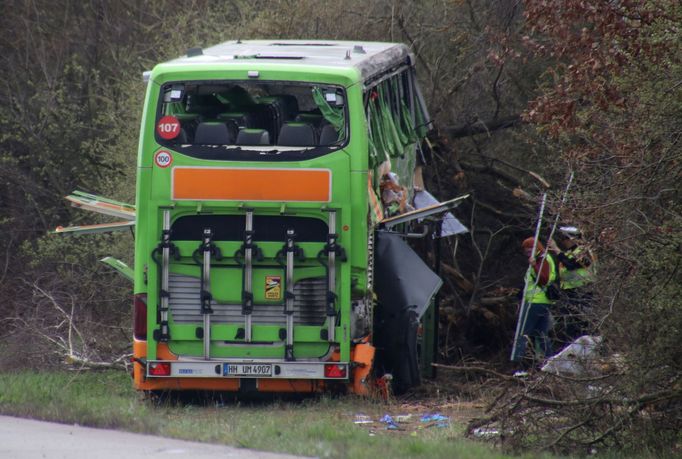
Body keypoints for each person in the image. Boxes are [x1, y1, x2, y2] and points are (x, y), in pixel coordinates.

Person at [511, 237, 558, 363]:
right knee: (541, 334)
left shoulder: (542, 260)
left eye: (529, 250)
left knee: (522, 333)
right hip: (541, 302)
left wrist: (534, 266)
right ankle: (550, 361)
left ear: (536, 248)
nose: (527, 253)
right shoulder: (540, 259)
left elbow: (543, 279)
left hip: (535, 302)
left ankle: (520, 362)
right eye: (526, 252)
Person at [547, 226, 596, 342]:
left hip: (583, 291)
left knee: (581, 322)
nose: (563, 242)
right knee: (571, 324)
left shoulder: (584, 252)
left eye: (564, 239)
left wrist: (556, 249)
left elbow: (571, 265)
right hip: (571, 293)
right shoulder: (569, 253)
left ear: (571, 239)